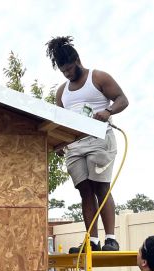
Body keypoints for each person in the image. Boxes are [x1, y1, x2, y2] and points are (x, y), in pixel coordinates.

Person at [46, 35, 129, 253]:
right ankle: (92, 241)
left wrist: (108, 111)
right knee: (85, 191)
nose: (67, 74)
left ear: (77, 60)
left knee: (101, 186)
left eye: (70, 69)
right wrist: (58, 142)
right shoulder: (62, 92)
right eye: (63, 71)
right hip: (74, 145)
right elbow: (60, 120)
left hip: (99, 139)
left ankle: (111, 239)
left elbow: (122, 99)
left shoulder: (98, 77)